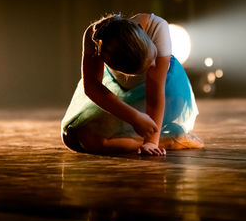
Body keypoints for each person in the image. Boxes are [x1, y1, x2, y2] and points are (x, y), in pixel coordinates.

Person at [61, 13, 204, 156]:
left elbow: (155, 93)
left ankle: (168, 140)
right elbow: (91, 86)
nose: (154, 64)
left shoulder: (158, 28)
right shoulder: (96, 38)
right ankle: (165, 139)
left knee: (96, 140)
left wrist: (151, 142)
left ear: (141, 29)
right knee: (76, 138)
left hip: (166, 94)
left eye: (154, 55)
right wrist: (134, 117)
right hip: (123, 94)